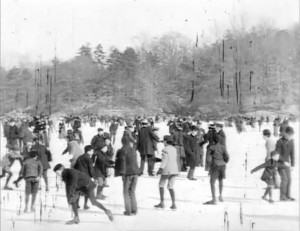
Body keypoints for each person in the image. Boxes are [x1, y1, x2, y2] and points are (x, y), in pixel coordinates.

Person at [115, 136, 141, 216]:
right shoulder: (133, 150)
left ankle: (128, 211)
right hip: (135, 173)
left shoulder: (122, 150)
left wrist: (121, 173)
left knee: (125, 192)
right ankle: (134, 209)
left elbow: (122, 162)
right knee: (132, 191)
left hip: (127, 174)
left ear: (122, 142)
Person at [154, 135, 180, 209]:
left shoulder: (164, 149)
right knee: (171, 187)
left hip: (167, 170)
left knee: (161, 185)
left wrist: (160, 169)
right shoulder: (174, 149)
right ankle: (173, 203)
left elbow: (164, 161)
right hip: (174, 170)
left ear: (165, 141)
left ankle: (162, 203)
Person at [203, 134, 229, 205]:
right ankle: (220, 195)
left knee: (212, 182)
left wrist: (208, 167)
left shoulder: (211, 147)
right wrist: (223, 161)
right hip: (222, 165)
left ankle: (214, 198)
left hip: (215, 165)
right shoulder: (223, 147)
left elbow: (208, 159)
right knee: (220, 180)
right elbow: (227, 156)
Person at [274, 126, 295, 201]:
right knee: (285, 179)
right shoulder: (279, 142)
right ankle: (282, 197)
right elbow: (277, 154)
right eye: (289, 134)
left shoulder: (291, 142)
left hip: (287, 164)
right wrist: (284, 162)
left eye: (291, 134)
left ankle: (287, 195)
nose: (290, 136)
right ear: (285, 133)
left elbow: (292, 154)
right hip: (280, 164)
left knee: (289, 179)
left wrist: (292, 165)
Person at [73, 145, 96, 209]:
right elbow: (91, 169)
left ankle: (77, 204)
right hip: (86, 177)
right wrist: (94, 177)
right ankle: (85, 205)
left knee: (78, 191)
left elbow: (75, 167)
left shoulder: (79, 157)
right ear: (89, 151)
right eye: (92, 151)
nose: (93, 152)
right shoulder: (89, 159)